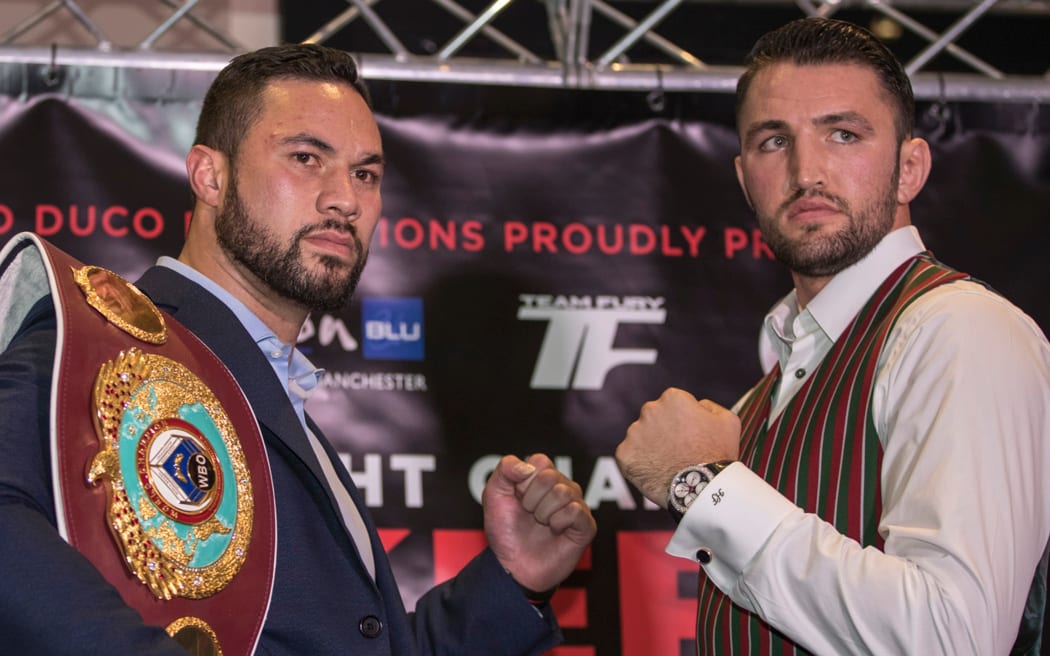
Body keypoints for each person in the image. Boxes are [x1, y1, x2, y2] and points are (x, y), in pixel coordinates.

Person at [0, 44, 596, 654]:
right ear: (210, 175)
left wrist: (511, 581)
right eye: (307, 158)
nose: (346, 198)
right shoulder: (101, 340)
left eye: (365, 174)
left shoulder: (286, 405)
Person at [615, 17, 1050, 656]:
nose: (806, 170)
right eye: (772, 141)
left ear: (910, 168)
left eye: (843, 134)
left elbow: (951, 637)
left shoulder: (958, 331)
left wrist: (704, 483)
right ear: (743, 179)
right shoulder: (778, 380)